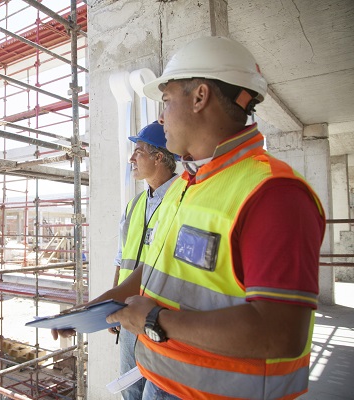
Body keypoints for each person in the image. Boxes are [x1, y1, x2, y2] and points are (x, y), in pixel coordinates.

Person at [54, 36, 325, 400]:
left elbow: (281, 333)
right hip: (164, 379)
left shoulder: (273, 193)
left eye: (166, 100)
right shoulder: (188, 184)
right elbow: (156, 273)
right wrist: (99, 306)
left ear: (200, 97)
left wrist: (152, 320)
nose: (161, 116)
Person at [111, 122, 177, 400]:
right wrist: (111, 304)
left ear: (159, 157)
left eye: (138, 151)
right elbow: (121, 258)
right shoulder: (135, 204)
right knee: (130, 390)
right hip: (128, 315)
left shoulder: (184, 198)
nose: (131, 159)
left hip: (162, 319)